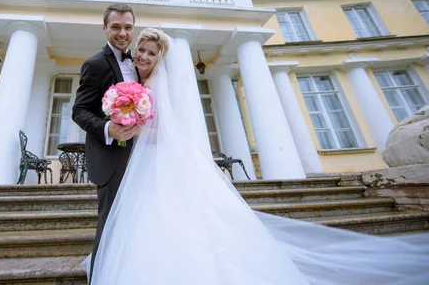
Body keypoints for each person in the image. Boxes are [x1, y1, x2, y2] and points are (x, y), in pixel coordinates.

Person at [86, 27, 429, 285]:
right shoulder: (127, 81)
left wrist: (136, 125)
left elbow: (170, 131)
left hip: (162, 165)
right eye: (141, 50)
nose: (144, 56)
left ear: (160, 58)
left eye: (151, 53)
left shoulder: (163, 86)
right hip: (136, 167)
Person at [72, 3, 141, 280]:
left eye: (127, 27)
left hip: (141, 155)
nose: (122, 33)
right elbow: (79, 111)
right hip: (111, 157)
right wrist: (107, 129)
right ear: (105, 28)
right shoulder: (95, 64)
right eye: (116, 27)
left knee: (135, 221)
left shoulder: (137, 61)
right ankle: (100, 278)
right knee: (110, 222)